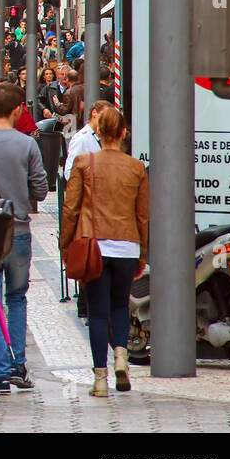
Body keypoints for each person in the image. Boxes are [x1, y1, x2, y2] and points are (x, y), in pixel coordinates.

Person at [61, 106, 149, 399]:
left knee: (98, 314)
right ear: (124, 133)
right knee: (120, 306)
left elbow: (70, 208)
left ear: (98, 132)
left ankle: (100, 379)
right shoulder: (136, 168)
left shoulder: (85, 163)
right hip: (127, 245)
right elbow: (143, 215)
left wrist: (65, 246)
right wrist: (142, 253)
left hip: (94, 245)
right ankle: (122, 357)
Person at [0, 83, 48, 394]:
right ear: (17, 110)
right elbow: (41, 190)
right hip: (17, 230)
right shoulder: (27, 145)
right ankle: (18, 365)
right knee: (16, 299)